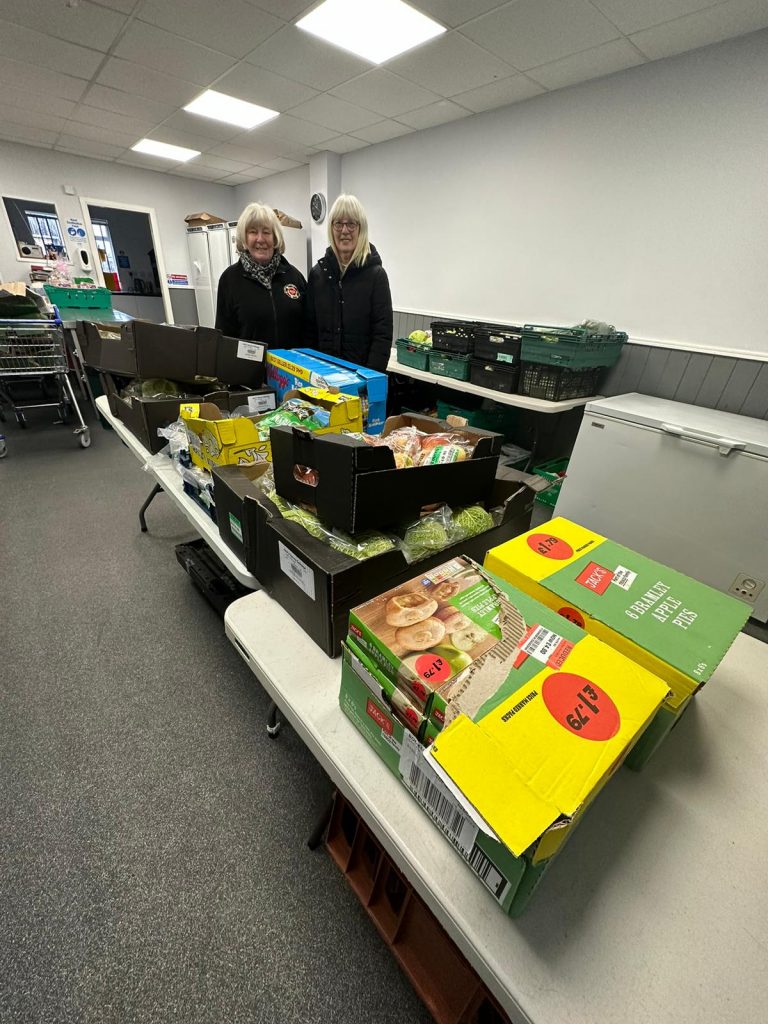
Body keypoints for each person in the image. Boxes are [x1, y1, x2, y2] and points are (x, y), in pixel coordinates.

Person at [305, 194, 393, 371]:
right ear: (331, 229)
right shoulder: (317, 275)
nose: (344, 230)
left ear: (361, 229)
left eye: (351, 224)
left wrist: (369, 379)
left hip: (360, 377)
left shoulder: (376, 276)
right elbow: (309, 332)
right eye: (338, 223)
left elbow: (382, 336)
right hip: (322, 377)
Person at [215, 202, 305, 346]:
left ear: (275, 238)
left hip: (291, 361)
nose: (260, 239)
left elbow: (308, 330)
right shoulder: (230, 279)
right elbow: (224, 338)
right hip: (249, 361)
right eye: (253, 232)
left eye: (266, 232)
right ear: (244, 238)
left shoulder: (294, 276)